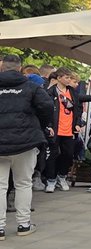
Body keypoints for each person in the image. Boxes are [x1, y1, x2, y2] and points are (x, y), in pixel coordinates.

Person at [0, 54, 52, 238]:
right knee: (23, 183)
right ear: (20, 68)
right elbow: (47, 106)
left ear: (2, 67)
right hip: (25, 141)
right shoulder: (31, 86)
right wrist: (42, 124)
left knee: (0, 186)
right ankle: (23, 224)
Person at [43, 69, 82, 192]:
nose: (69, 80)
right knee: (53, 154)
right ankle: (51, 179)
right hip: (55, 128)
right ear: (59, 78)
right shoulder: (50, 92)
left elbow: (78, 109)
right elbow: (46, 110)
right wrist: (48, 126)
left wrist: (77, 123)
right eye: (67, 77)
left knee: (68, 154)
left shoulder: (73, 92)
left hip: (69, 129)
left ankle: (62, 176)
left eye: (70, 78)